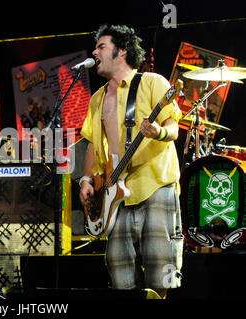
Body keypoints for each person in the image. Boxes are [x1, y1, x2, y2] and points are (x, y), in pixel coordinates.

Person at [79, 25, 183, 299]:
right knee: (119, 272)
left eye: (101, 46)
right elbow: (92, 143)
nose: (95, 52)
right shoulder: (97, 98)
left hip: (154, 185)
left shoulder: (153, 82)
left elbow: (173, 127)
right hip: (116, 196)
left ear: (122, 50)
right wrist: (86, 179)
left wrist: (158, 132)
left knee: (162, 270)